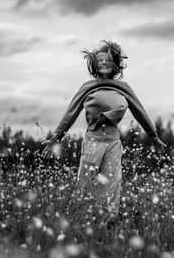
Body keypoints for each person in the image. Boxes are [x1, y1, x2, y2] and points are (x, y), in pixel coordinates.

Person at [42, 40, 165, 225]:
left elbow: (140, 112)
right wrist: (55, 138)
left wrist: (154, 137)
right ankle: (81, 224)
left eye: (108, 60)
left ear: (115, 63)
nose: (104, 63)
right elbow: (70, 113)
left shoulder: (124, 88)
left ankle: (106, 226)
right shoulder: (87, 87)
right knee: (86, 185)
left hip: (113, 144)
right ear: (94, 64)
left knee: (112, 185)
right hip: (92, 142)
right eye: (100, 60)